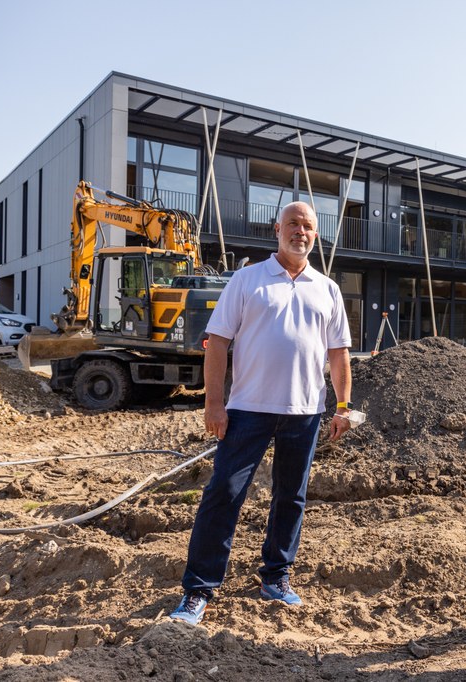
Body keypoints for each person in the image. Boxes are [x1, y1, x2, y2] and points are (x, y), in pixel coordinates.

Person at [168, 201, 353, 625]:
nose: (300, 232)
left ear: (315, 236)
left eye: (307, 226)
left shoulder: (327, 288)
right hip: (247, 409)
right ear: (277, 229)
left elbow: (339, 354)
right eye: (293, 224)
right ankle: (198, 589)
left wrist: (343, 407)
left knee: (291, 496)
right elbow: (217, 343)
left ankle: (276, 575)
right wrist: (213, 403)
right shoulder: (246, 280)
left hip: (304, 412)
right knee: (224, 493)